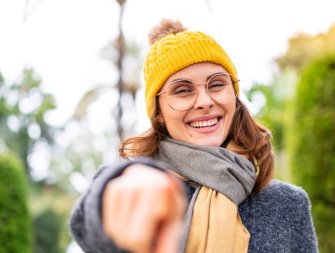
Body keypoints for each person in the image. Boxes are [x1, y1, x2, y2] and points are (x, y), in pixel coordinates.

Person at [69, 19, 318, 253]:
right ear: (158, 113)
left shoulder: (288, 205)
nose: (205, 101)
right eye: (182, 90)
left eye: (217, 84)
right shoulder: (135, 186)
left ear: (234, 95)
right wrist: (116, 186)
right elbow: (88, 223)